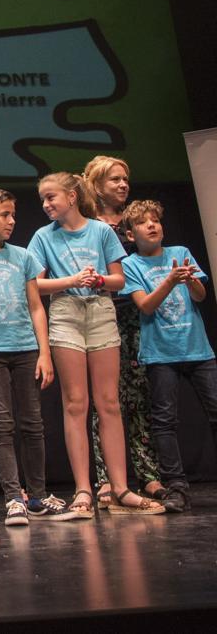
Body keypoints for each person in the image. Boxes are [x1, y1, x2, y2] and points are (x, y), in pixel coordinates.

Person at [27, 172, 163, 518]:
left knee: (109, 402)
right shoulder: (43, 237)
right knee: (75, 403)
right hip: (65, 311)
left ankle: (119, 489)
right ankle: (84, 490)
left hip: (100, 309)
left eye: (51, 197)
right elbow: (34, 285)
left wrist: (100, 279)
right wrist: (72, 280)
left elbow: (119, 279)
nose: (46, 204)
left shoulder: (101, 231)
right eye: (43, 199)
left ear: (72, 197)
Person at [0, 189, 74, 525]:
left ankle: (38, 495)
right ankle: (14, 497)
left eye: (13, 215)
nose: (11, 221)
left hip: (25, 348)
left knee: (32, 424)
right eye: (4, 215)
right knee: (1, 425)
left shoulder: (23, 257)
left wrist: (45, 353)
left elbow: (36, 306)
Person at [120, 199, 217, 513]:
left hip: (198, 349)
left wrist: (189, 281)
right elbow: (145, 305)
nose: (152, 225)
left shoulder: (181, 253)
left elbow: (201, 295)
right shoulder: (131, 265)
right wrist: (169, 281)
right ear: (131, 235)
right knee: (164, 422)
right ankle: (176, 487)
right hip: (160, 354)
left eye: (155, 220)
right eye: (143, 223)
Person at [83, 156, 164, 509]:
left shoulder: (136, 221)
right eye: (115, 179)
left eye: (125, 179)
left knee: (141, 395)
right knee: (107, 400)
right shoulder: (86, 224)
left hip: (139, 316)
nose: (122, 185)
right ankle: (106, 479)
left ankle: (147, 473)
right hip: (102, 314)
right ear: (97, 184)